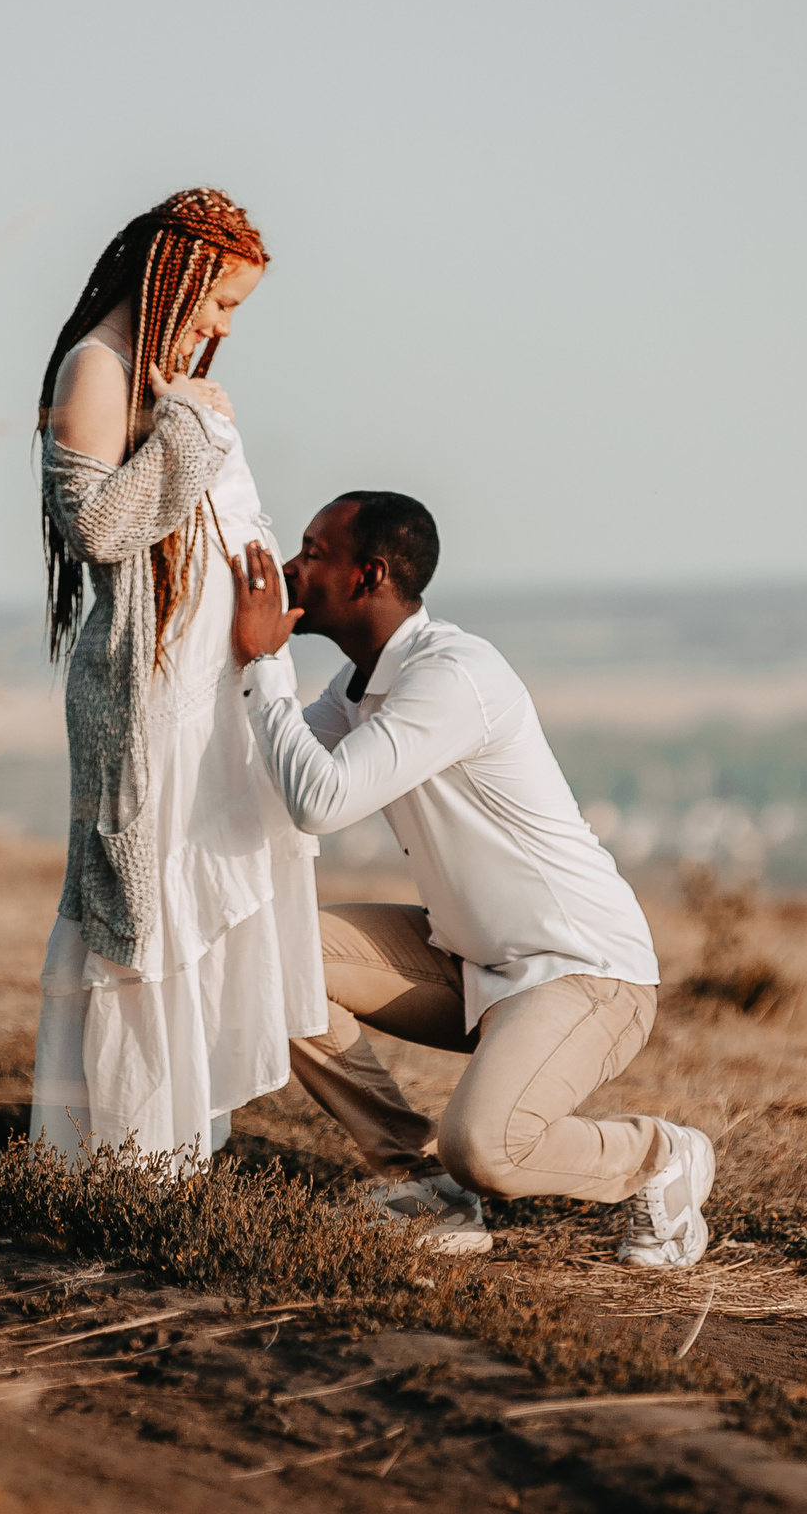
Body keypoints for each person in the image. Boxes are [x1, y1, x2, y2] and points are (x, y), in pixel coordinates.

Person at [224, 494, 716, 1267]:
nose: (290, 567)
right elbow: (272, 784)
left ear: (368, 575)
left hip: (584, 972)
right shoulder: (358, 686)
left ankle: (660, 1156)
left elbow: (321, 802)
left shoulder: (453, 675)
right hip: (467, 960)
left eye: (313, 552)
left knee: (486, 1147)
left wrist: (260, 662)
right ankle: (426, 1188)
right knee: (273, 954)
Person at [28, 189, 324, 1169]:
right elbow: (98, 527)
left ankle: (174, 1154)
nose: (224, 326)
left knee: (192, 911)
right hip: (149, 703)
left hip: (209, 700)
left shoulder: (168, 375)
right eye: (221, 301)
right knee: (143, 920)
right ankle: (124, 1162)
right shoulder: (98, 367)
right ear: (178, 272)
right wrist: (191, 429)